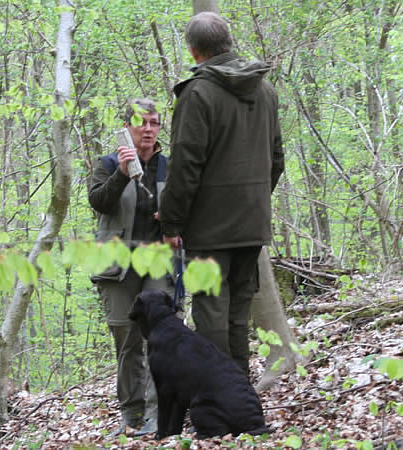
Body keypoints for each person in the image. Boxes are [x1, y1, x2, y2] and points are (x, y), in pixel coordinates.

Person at [159, 12, 285, 377]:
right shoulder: (266, 91)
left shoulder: (197, 94)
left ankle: (221, 400)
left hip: (209, 229)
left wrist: (171, 223)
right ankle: (239, 395)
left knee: (212, 311)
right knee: (236, 312)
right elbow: (276, 159)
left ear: (195, 52)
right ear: (228, 43)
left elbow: (185, 166)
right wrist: (254, 201)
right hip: (252, 222)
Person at [88, 98, 172, 436]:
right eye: (142, 123)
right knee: (126, 339)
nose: (149, 130)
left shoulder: (170, 165)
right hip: (117, 264)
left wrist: (173, 220)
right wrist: (122, 174)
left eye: (154, 123)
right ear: (128, 127)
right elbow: (99, 203)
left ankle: (158, 413)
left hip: (159, 262)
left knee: (161, 336)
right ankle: (131, 414)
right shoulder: (108, 164)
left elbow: (191, 205)